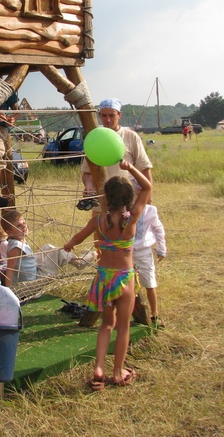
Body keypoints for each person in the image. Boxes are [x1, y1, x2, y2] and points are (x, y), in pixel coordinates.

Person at [64, 160, 152, 390]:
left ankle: (99, 367)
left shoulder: (98, 220)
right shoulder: (130, 219)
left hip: (103, 279)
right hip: (124, 278)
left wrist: (69, 244)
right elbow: (148, 187)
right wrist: (131, 168)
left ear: (107, 196)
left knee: (106, 325)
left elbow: (77, 238)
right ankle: (118, 372)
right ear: (128, 198)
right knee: (123, 327)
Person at [81, 98, 153, 200]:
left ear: (119, 115)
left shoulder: (131, 136)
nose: (108, 119)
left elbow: (144, 168)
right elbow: (87, 173)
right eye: (104, 115)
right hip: (102, 198)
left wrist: (148, 198)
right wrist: (89, 185)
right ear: (99, 116)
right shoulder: (94, 139)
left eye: (112, 115)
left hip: (125, 197)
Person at [133, 203, 167, 326]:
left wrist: (161, 249)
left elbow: (158, 229)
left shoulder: (150, 210)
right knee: (122, 283)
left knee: (149, 283)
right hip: (124, 252)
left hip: (143, 251)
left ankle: (154, 313)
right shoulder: (121, 208)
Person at [0, 209, 37, 287]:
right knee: (52, 250)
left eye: (24, 223)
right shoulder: (16, 246)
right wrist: (9, 291)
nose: (24, 226)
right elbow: (10, 270)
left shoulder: (20, 240)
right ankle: (69, 259)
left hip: (35, 273)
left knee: (47, 248)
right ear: (9, 232)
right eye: (19, 226)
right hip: (30, 284)